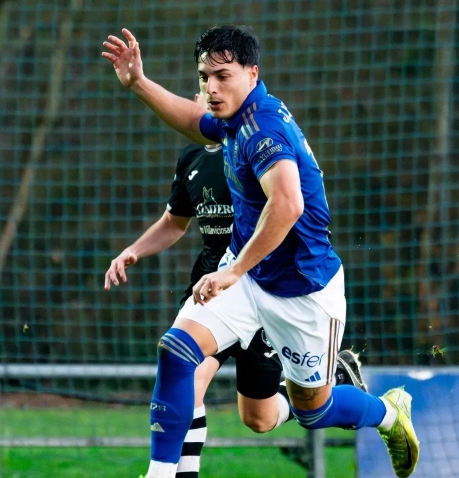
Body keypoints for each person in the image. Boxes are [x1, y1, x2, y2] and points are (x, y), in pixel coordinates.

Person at [102, 25, 418, 478]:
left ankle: (389, 414)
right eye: (204, 76)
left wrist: (232, 272)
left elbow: (289, 204)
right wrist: (138, 84)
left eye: (223, 76)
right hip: (249, 274)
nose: (211, 87)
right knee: (177, 351)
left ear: (252, 73)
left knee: (312, 411)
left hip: (303, 291)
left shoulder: (262, 127)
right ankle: (159, 474)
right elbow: (195, 123)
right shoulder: (234, 116)